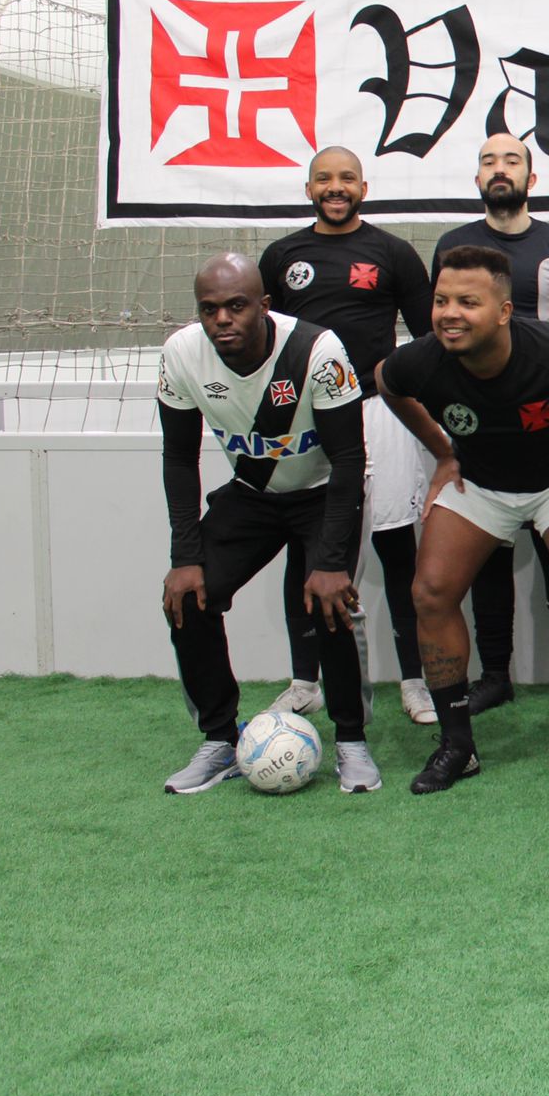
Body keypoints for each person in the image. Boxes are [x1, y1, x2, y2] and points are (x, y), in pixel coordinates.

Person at [376, 245, 549, 794]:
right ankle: (457, 745)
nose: (449, 313)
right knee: (431, 592)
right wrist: (442, 451)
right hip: (482, 484)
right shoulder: (422, 358)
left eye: (468, 302)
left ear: (505, 311)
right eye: (442, 300)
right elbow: (387, 383)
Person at [156, 254, 378, 794]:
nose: (222, 320)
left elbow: (350, 458)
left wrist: (328, 562)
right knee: (190, 598)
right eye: (209, 310)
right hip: (254, 495)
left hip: (324, 493)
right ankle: (218, 738)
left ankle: (351, 741)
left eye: (236, 306)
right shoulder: (182, 353)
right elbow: (180, 459)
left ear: (264, 307)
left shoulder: (317, 351)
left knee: (327, 602)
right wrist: (184, 557)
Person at [259, 146, 437, 724]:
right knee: (309, 552)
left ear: (364, 186)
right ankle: (304, 682)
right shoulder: (283, 256)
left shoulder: (392, 253)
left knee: (395, 549)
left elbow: (428, 339)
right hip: (308, 421)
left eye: (346, 179)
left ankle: (415, 680)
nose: (336, 188)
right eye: (324, 179)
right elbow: (268, 345)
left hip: (378, 411)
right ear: (308, 189)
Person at [431, 133, 549, 721]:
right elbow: (434, 344)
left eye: (512, 161)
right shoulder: (454, 245)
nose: (499, 170)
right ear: (477, 177)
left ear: (532, 177)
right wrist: (443, 449)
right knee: (486, 556)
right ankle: (495, 674)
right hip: (481, 432)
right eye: (488, 161)